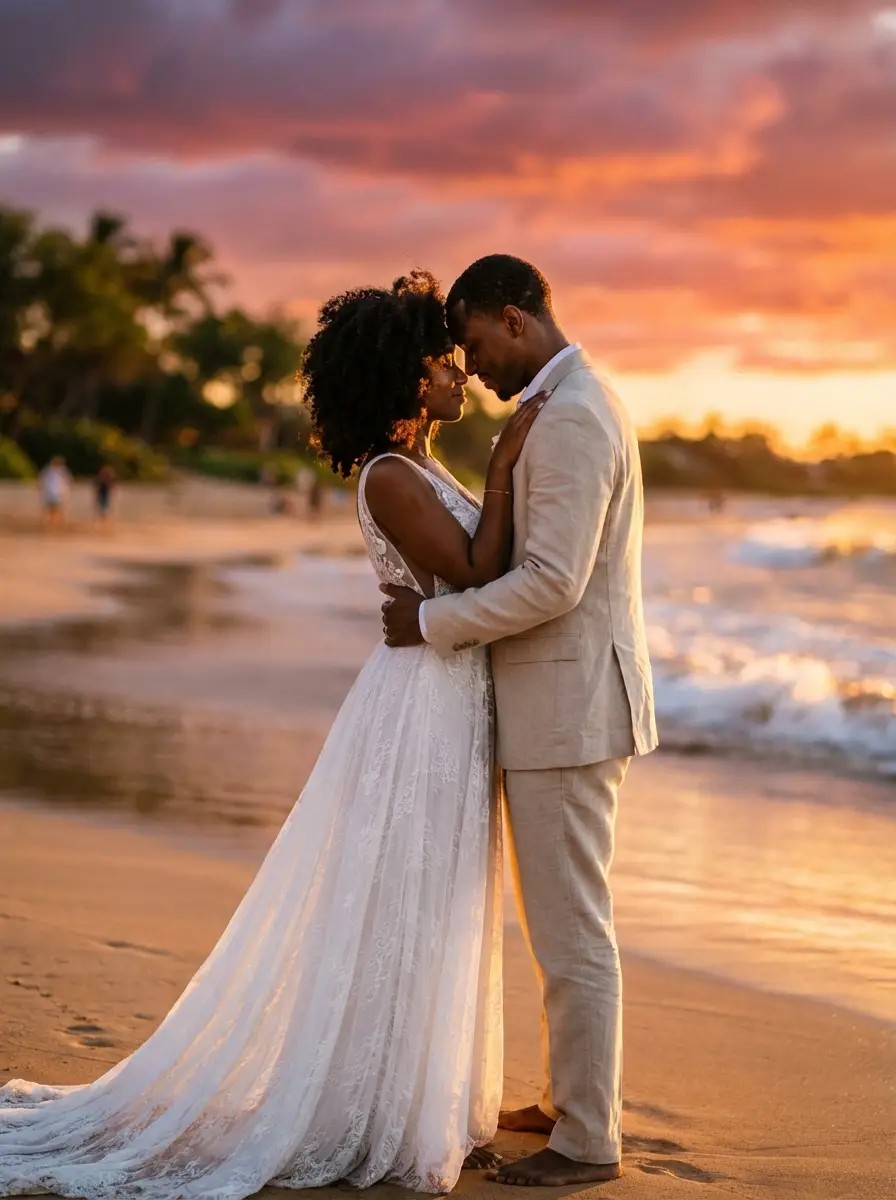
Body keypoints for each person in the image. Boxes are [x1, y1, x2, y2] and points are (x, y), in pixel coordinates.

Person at [0, 271, 547, 1198]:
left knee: (433, 896)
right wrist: (502, 466)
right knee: (404, 894)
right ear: (408, 376)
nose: (460, 373)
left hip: (445, 693)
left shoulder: (421, 464)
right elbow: (475, 566)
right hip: (420, 705)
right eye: (444, 361)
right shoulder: (389, 474)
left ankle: (410, 1089)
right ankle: (375, 1101)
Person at [382, 255, 658, 1187]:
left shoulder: (575, 413)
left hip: (571, 711)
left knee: (573, 927)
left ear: (513, 318)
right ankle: (566, 1100)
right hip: (554, 705)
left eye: (473, 341)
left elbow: (552, 583)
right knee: (558, 924)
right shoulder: (563, 405)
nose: (473, 363)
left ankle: (587, 1140)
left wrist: (429, 624)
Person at [38, 455, 72, 528]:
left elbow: (67, 482)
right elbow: (42, 481)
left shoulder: (62, 471)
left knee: (57, 508)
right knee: (50, 508)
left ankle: (56, 524)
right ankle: (50, 524)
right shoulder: (47, 471)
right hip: (50, 493)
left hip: (58, 493)